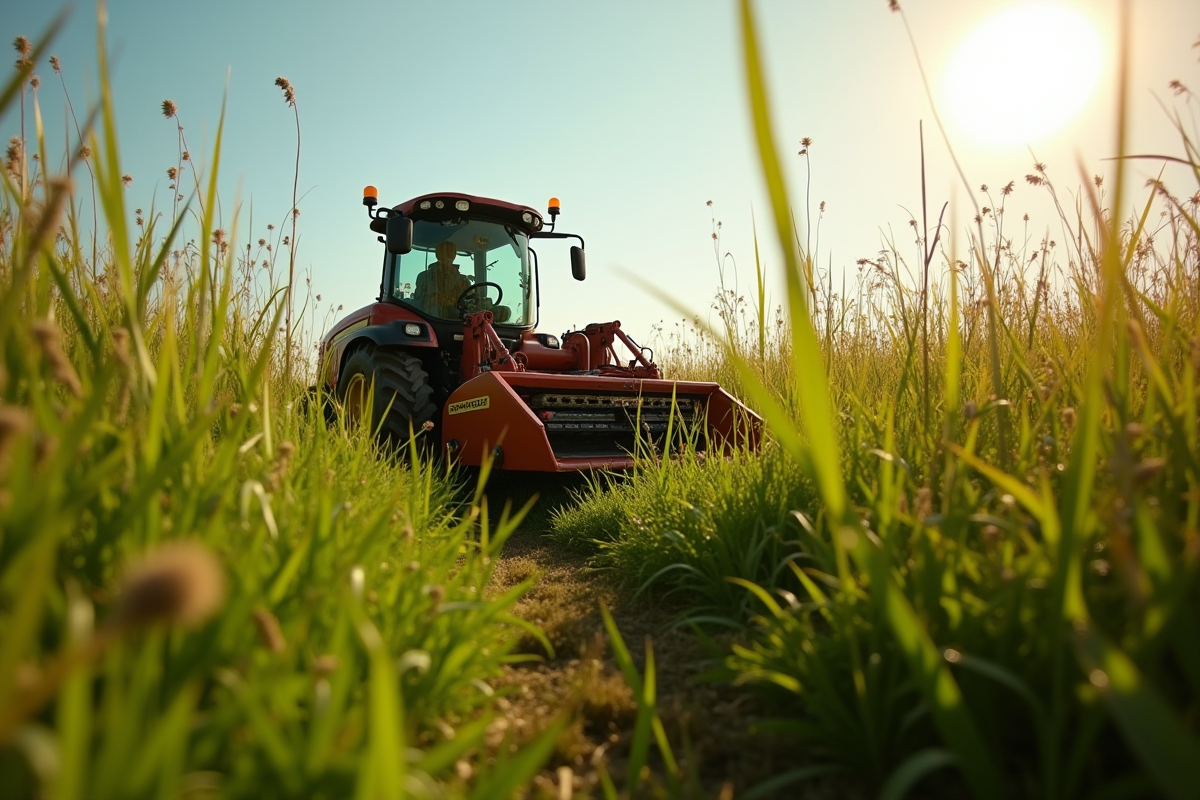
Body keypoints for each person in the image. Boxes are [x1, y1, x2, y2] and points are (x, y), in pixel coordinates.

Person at [414, 240, 471, 318]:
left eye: (451, 250)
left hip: (457, 322)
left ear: (455, 254)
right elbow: (417, 302)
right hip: (430, 320)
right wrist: (433, 299)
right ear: (437, 254)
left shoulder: (463, 280)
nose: (447, 253)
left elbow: (470, 304)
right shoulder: (424, 277)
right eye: (444, 249)